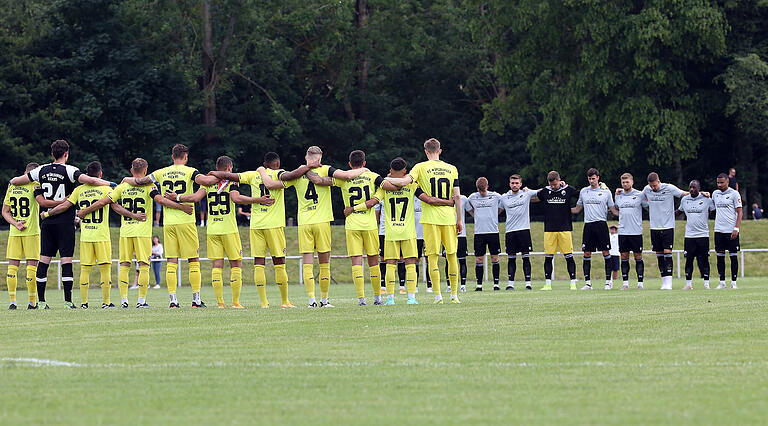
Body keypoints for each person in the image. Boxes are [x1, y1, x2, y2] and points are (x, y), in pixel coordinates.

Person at [10, 140, 112, 309]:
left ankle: (41, 302)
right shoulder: (70, 170)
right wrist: (109, 183)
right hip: (65, 222)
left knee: (43, 260)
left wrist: (13, 181)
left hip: (47, 221)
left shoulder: (40, 170)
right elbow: (91, 181)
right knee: (66, 260)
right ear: (66, 154)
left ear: (52, 154)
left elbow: (16, 181)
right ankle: (67, 301)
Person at [263, 146, 367, 307]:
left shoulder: (298, 173)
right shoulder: (325, 169)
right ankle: (324, 301)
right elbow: (347, 175)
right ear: (319, 159)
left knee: (307, 262)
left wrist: (262, 171)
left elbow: (271, 185)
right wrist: (364, 169)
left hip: (304, 222)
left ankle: (311, 300)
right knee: (325, 263)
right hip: (322, 221)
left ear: (306, 158)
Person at [78, 158, 190, 308]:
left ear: (131, 170)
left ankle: (124, 301)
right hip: (142, 232)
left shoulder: (122, 186)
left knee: (124, 265)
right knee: (144, 265)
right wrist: (182, 207)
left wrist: (84, 211)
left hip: (125, 232)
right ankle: (141, 301)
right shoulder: (149, 186)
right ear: (145, 171)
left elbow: (108, 203)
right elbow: (161, 201)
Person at [123, 144, 219, 308]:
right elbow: (207, 181)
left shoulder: (161, 172)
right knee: (193, 260)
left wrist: (127, 179)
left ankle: (173, 300)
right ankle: (196, 299)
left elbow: (140, 181)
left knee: (172, 261)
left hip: (169, 223)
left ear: (172, 156)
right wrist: (222, 175)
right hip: (186, 220)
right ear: (186, 157)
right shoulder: (190, 171)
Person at [350, 157, 454, 305]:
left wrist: (353, 208)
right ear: (405, 170)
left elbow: (372, 202)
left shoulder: (384, 186)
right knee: (411, 263)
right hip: (408, 232)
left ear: (390, 170)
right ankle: (411, 298)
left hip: (391, 232)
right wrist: (449, 202)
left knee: (390, 264)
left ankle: (390, 298)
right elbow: (429, 200)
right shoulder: (411, 185)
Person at [216, 152, 309, 309]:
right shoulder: (279, 173)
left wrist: (213, 173)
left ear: (264, 163)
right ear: (277, 164)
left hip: (256, 224)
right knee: (279, 263)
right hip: (274, 224)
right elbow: (293, 175)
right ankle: (285, 301)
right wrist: (308, 165)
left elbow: (230, 176)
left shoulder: (253, 174)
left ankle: (264, 303)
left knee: (259, 263)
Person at [385, 138, 463, 304]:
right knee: (451, 256)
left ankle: (438, 296)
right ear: (440, 150)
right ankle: (454, 295)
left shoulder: (420, 167)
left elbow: (405, 181)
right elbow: (456, 196)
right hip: (449, 217)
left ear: (426, 151)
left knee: (432, 257)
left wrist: (381, 180)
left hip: (430, 219)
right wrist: (459, 220)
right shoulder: (451, 168)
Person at [43, 162, 115, 308]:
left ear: (86, 176)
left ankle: (84, 303)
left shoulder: (79, 190)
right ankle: (106, 302)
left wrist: (47, 213)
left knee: (85, 269)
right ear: (100, 175)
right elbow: (115, 206)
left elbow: (64, 206)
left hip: (86, 235)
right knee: (105, 268)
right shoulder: (107, 189)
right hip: (101, 235)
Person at [332, 150, 394, 306]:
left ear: (349, 164)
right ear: (364, 163)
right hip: (370, 225)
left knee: (356, 263)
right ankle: (377, 298)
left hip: (352, 225)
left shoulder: (343, 179)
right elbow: (387, 187)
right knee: (374, 262)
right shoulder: (372, 176)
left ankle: (361, 299)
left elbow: (321, 181)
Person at [3, 163, 41, 309]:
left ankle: (13, 302)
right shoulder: (35, 186)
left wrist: (15, 223)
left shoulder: (11, 187)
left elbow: (5, 211)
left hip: (15, 232)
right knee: (31, 267)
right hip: (31, 232)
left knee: (12, 267)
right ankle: (32, 303)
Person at [571, 168, 617, 290]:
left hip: (601, 225)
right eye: (589, 178)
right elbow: (577, 209)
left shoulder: (606, 192)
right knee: (586, 253)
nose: (592, 181)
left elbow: (613, 210)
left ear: (598, 178)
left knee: (606, 253)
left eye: (593, 178)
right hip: (588, 225)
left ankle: (608, 282)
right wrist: (562, 208)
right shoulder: (584, 191)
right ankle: (588, 283)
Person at [642, 172, 688, 290]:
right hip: (654, 227)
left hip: (667, 226)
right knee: (659, 255)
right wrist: (622, 191)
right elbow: (637, 196)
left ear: (659, 181)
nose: (653, 188)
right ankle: (663, 281)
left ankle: (669, 282)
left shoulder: (669, 188)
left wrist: (701, 193)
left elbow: (684, 194)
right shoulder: (647, 189)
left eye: (655, 185)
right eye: (651, 186)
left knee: (667, 252)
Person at [536, 171, 579, 291]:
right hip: (549, 229)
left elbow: (581, 195)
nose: (554, 187)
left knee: (569, 256)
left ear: (559, 180)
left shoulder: (568, 190)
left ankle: (572, 283)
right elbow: (535, 197)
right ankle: (548, 284)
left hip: (565, 229)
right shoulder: (545, 191)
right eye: (551, 184)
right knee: (548, 257)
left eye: (555, 184)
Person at [499, 174, 538, 290]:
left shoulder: (526, 193)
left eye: (517, 183)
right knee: (511, 258)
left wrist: (561, 184)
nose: (515, 185)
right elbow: (497, 210)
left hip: (524, 230)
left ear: (520, 184)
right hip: (510, 231)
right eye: (512, 183)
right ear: (509, 184)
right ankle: (510, 284)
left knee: (526, 257)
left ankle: (528, 284)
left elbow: (543, 191)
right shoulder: (504, 197)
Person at [676, 180, 715, 290]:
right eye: (690, 188)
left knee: (704, 259)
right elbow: (679, 212)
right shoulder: (684, 200)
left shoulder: (706, 199)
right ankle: (688, 284)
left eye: (694, 188)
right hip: (689, 235)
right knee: (689, 259)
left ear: (699, 188)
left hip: (703, 235)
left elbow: (714, 209)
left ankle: (706, 283)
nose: (692, 190)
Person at [614, 173, 648, 290]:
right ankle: (625, 283)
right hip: (623, 231)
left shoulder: (639, 195)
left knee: (638, 256)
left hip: (636, 231)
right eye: (623, 182)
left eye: (627, 182)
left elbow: (648, 206)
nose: (625, 184)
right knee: (624, 256)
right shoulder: (618, 195)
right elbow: (615, 209)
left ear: (632, 182)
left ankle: (640, 283)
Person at [467, 177, 502, 291]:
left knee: (495, 258)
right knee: (478, 259)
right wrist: (476, 216)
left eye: (484, 190)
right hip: (479, 232)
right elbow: (468, 208)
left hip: (493, 232)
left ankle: (496, 284)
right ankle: (479, 285)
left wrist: (494, 215)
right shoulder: (472, 197)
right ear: (477, 188)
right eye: (480, 190)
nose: (482, 192)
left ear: (487, 187)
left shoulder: (495, 196)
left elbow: (503, 204)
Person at [713, 173, 743, 289]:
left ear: (727, 182)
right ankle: (722, 282)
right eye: (718, 183)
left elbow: (740, 212)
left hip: (731, 230)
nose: (719, 185)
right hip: (718, 230)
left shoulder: (734, 194)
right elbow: (711, 207)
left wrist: (736, 228)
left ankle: (734, 282)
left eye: (722, 183)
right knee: (720, 257)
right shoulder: (715, 194)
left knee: (733, 256)